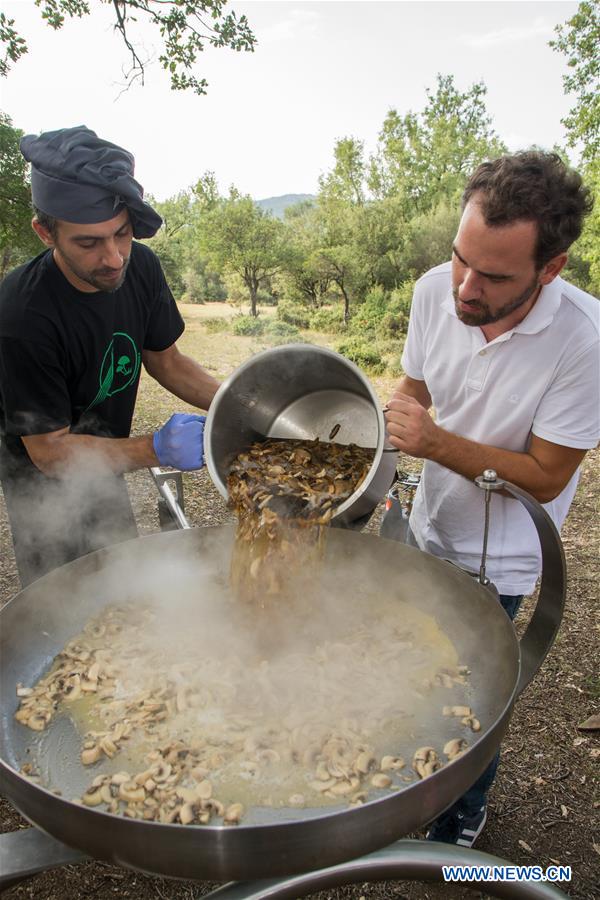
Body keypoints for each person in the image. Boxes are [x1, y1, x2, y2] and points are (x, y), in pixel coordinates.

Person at [384, 150, 599, 846]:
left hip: (499, 558)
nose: (466, 288)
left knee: (473, 701)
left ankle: (461, 817)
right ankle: (408, 788)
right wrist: (388, 441)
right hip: (427, 526)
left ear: (552, 267)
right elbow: (414, 392)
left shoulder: (585, 341)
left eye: (495, 275)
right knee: (412, 670)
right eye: (459, 259)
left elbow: (545, 475)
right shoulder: (430, 293)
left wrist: (435, 442)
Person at [0, 126, 220, 588]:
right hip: (41, 480)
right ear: (46, 232)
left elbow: (167, 359)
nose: (115, 258)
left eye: (121, 234)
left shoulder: (141, 266)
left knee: (122, 583)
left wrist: (239, 405)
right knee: (62, 604)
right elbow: (51, 453)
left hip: (107, 461)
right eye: (89, 243)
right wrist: (154, 449)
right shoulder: (21, 314)